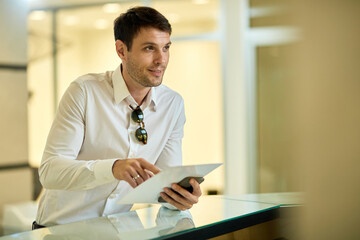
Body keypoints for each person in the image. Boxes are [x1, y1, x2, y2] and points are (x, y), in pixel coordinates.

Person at [34, 6, 201, 228]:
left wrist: (179, 198)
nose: (161, 59)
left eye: (166, 47)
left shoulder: (173, 104)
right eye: (150, 48)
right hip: (58, 232)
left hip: (116, 232)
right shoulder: (84, 91)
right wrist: (112, 168)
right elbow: (50, 171)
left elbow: (164, 181)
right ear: (121, 51)